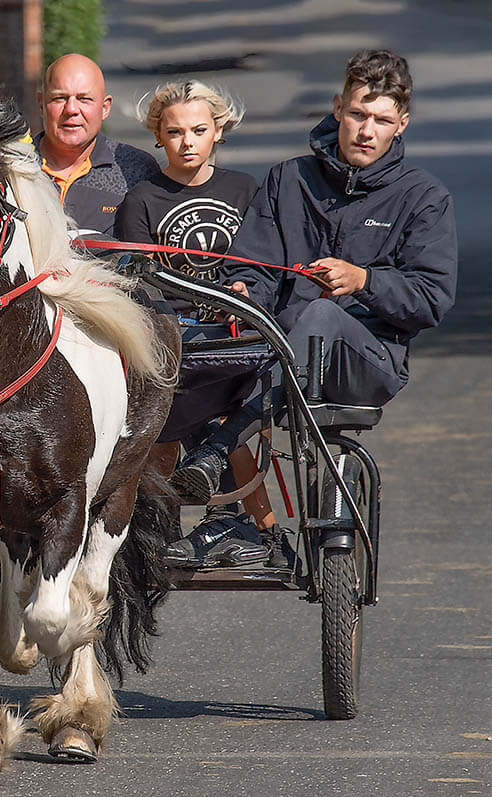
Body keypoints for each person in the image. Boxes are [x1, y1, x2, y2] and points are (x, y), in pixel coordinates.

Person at [173, 49, 458, 501]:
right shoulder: (289, 179)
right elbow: (252, 265)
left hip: (367, 363)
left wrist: (364, 281)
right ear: (337, 108)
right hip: (279, 355)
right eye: (358, 114)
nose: (366, 131)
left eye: (382, 121)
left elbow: (431, 300)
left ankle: (219, 447)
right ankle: (218, 523)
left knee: (322, 314)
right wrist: (245, 291)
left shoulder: (423, 197)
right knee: (179, 355)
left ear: (401, 124)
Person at [115, 80, 291, 569]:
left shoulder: (245, 189)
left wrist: (241, 294)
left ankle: (251, 525)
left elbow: (262, 262)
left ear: (219, 132)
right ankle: (257, 527)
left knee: (224, 405)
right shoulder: (142, 200)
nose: (187, 141)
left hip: (240, 330)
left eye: (198, 130)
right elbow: (140, 285)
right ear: (158, 137)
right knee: (198, 405)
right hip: (175, 333)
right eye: (174, 132)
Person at [35, 53, 160, 235]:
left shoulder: (137, 169)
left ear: (105, 108)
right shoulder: (11, 167)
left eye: (84, 99)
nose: (71, 109)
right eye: (59, 98)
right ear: (41, 104)